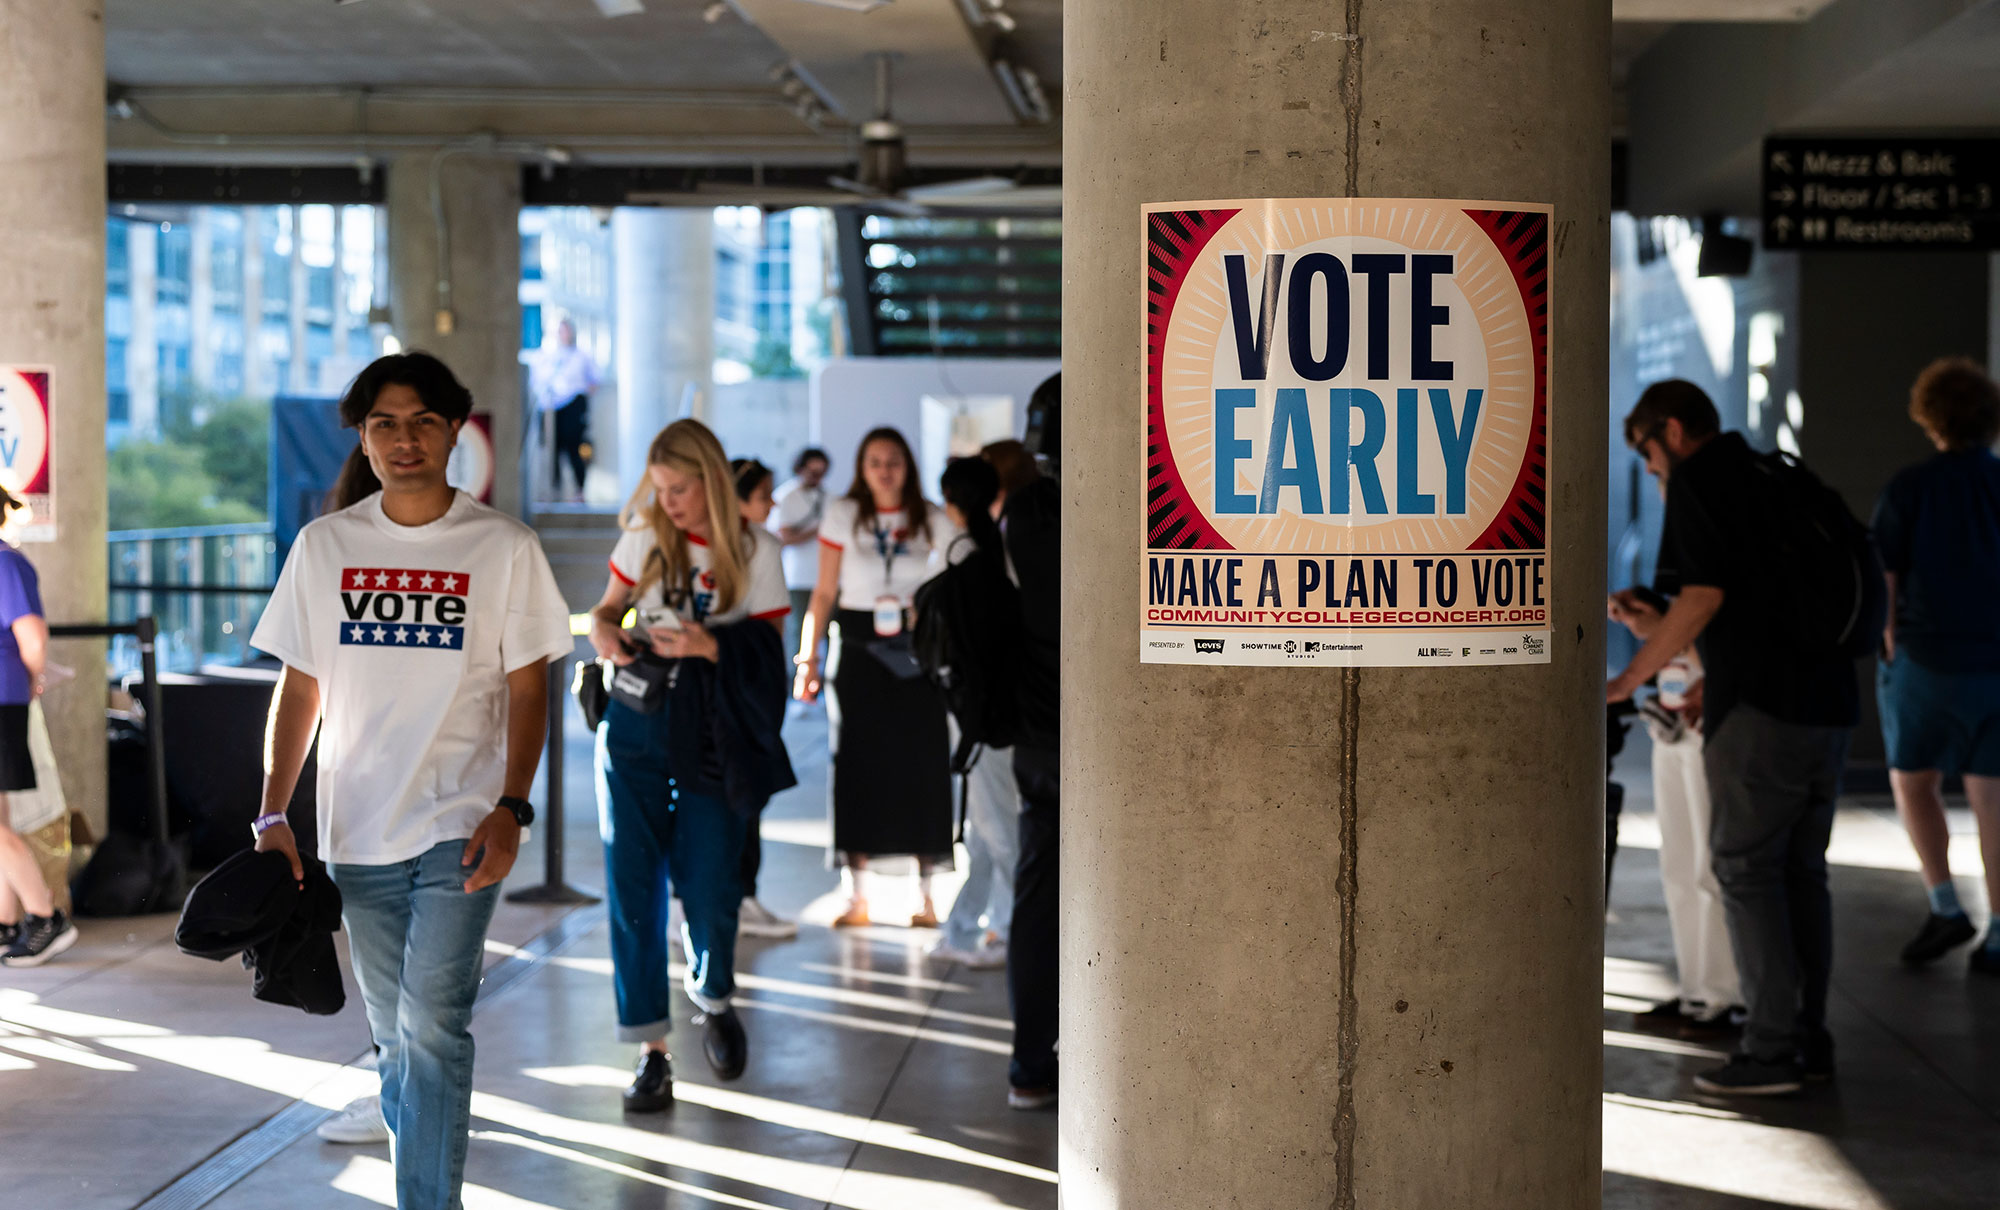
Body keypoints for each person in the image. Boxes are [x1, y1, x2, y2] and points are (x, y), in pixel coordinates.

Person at [250, 351, 574, 1209]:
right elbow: (300, 685)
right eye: (385, 423)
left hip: (462, 824)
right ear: (363, 434)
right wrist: (273, 811)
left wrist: (512, 805)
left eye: (423, 420)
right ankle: (423, 1156)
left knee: (434, 1027)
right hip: (356, 829)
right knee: (396, 1039)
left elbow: (529, 686)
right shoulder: (327, 547)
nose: (404, 439)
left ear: (454, 428)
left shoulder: (503, 548)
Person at [1607, 379, 1857, 1097]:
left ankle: (1771, 1050)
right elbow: (1745, 608)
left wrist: (1629, 681)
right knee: (1802, 876)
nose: (1656, 475)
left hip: (1761, 713)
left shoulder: (1702, 480)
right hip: (1830, 705)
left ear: (1674, 431)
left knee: (1746, 873)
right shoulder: (1779, 474)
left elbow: (1703, 597)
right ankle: (1809, 1042)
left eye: (1653, 460)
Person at [589, 419, 794, 1112]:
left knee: (711, 882)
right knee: (633, 886)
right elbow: (603, 613)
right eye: (660, 489)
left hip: (714, 734)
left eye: (680, 488)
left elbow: (769, 654)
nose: (670, 501)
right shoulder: (647, 536)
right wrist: (612, 641)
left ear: (710, 479)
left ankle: (713, 993)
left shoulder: (753, 547)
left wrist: (709, 645)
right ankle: (651, 1050)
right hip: (635, 726)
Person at [793, 428, 956, 929]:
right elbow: (823, 593)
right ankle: (854, 892)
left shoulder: (930, 516)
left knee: (923, 764)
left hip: (914, 648)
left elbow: (955, 576)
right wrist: (808, 657)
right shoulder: (844, 514)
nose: (885, 471)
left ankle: (925, 894)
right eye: (874, 462)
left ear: (908, 465)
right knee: (856, 765)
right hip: (859, 646)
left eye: (894, 461)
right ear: (862, 469)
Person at [1872, 357, 2000, 974]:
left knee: (1914, 781)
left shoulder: (1909, 488)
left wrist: (1892, 645)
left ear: (1929, 416)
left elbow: (1886, 579)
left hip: (1925, 660)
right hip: (1996, 662)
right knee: (1993, 798)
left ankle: (1946, 905)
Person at [1609, 586, 1743, 1039]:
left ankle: (1728, 997)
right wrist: (1657, 626)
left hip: (1713, 715)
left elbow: (1710, 606)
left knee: (1711, 868)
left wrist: (1666, 633)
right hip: (1673, 719)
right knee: (1679, 868)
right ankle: (1695, 991)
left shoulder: (1712, 525)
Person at [927, 457, 1017, 972]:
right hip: (996, 706)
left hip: (973, 709)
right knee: (989, 824)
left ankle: (1002, 929)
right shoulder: (1001, 550)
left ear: (952, 500)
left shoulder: (958, 553)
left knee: (996, 826)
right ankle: (971, 928)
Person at [1003, 373, 1061, 1109]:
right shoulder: (1123, 504)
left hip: (1039, 736)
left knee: (1037, 899)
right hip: (1109, 737)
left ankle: (1028, 1065)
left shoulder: (1024, 508)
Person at [0, 489, 75, 968]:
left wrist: (32, 680)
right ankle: (8, 923)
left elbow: (32, 635)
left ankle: (46, 918)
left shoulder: (7, 564)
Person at [729, 456, 798, 942]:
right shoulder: (762, 546)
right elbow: (771, 633)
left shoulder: (746, 544)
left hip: (723, 686)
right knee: (744, 789)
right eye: (763, 495)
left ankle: (723, 898)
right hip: (747, 688)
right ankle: (740, 897)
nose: (772, 503)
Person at [769, 447, 831, 664]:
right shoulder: (785, 497)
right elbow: (783, 537)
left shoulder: (829, 497)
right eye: (812, 471)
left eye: (820, 472)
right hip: (797, 577)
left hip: (827, 575)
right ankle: (796, 678)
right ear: (800, 468)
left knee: (831, 631)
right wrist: (817, 531)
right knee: (799, 629)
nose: (816, 477)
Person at [531, 318, 601, 501]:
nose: (563, 335)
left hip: (573, 406)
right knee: (552, 449)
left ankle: (580, 489)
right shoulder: (547, 356)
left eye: (566, 330)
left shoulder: (581, 356)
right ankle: (554, 489)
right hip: (551, 409)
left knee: (574, 448)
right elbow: (537, 382)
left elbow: (594, 382)